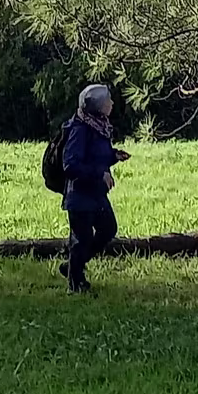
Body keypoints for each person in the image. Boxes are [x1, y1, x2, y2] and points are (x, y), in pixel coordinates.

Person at [59, 82, 128, 294]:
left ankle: (73, 267)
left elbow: (96, 155)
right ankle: (75, 284)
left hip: (96, 193)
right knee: (81, 240)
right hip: (80, 195)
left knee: (108, 229)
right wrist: (99, 174)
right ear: (98, 105)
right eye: (108, 100)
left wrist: (113, 155)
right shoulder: (80, 129)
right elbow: (70, 164)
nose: (112, 103)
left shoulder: (99, 125)